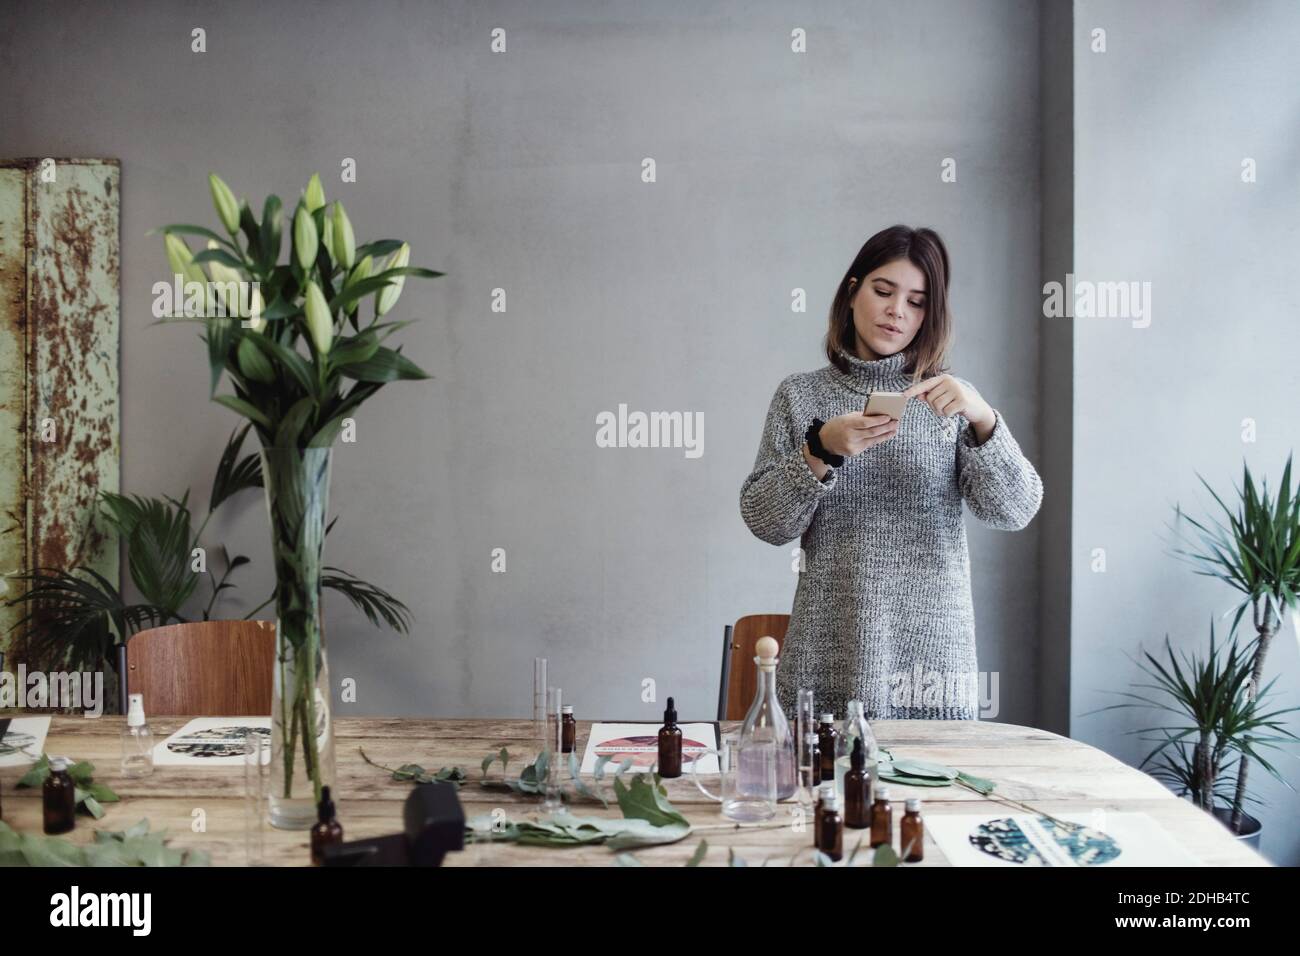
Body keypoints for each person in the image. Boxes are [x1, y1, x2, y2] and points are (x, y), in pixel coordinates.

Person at [739, 225, 1043, 720]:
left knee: (932, 795)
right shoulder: (799, 395)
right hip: (828, 655)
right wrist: (821, 448)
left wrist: (984, 419)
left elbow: (1015, 511)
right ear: (853, 290)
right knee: (816, 795)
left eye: (917, 301)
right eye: (883, 291)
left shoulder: (952, 400)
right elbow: (766, 523)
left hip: (932, 664)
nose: (897, 310)